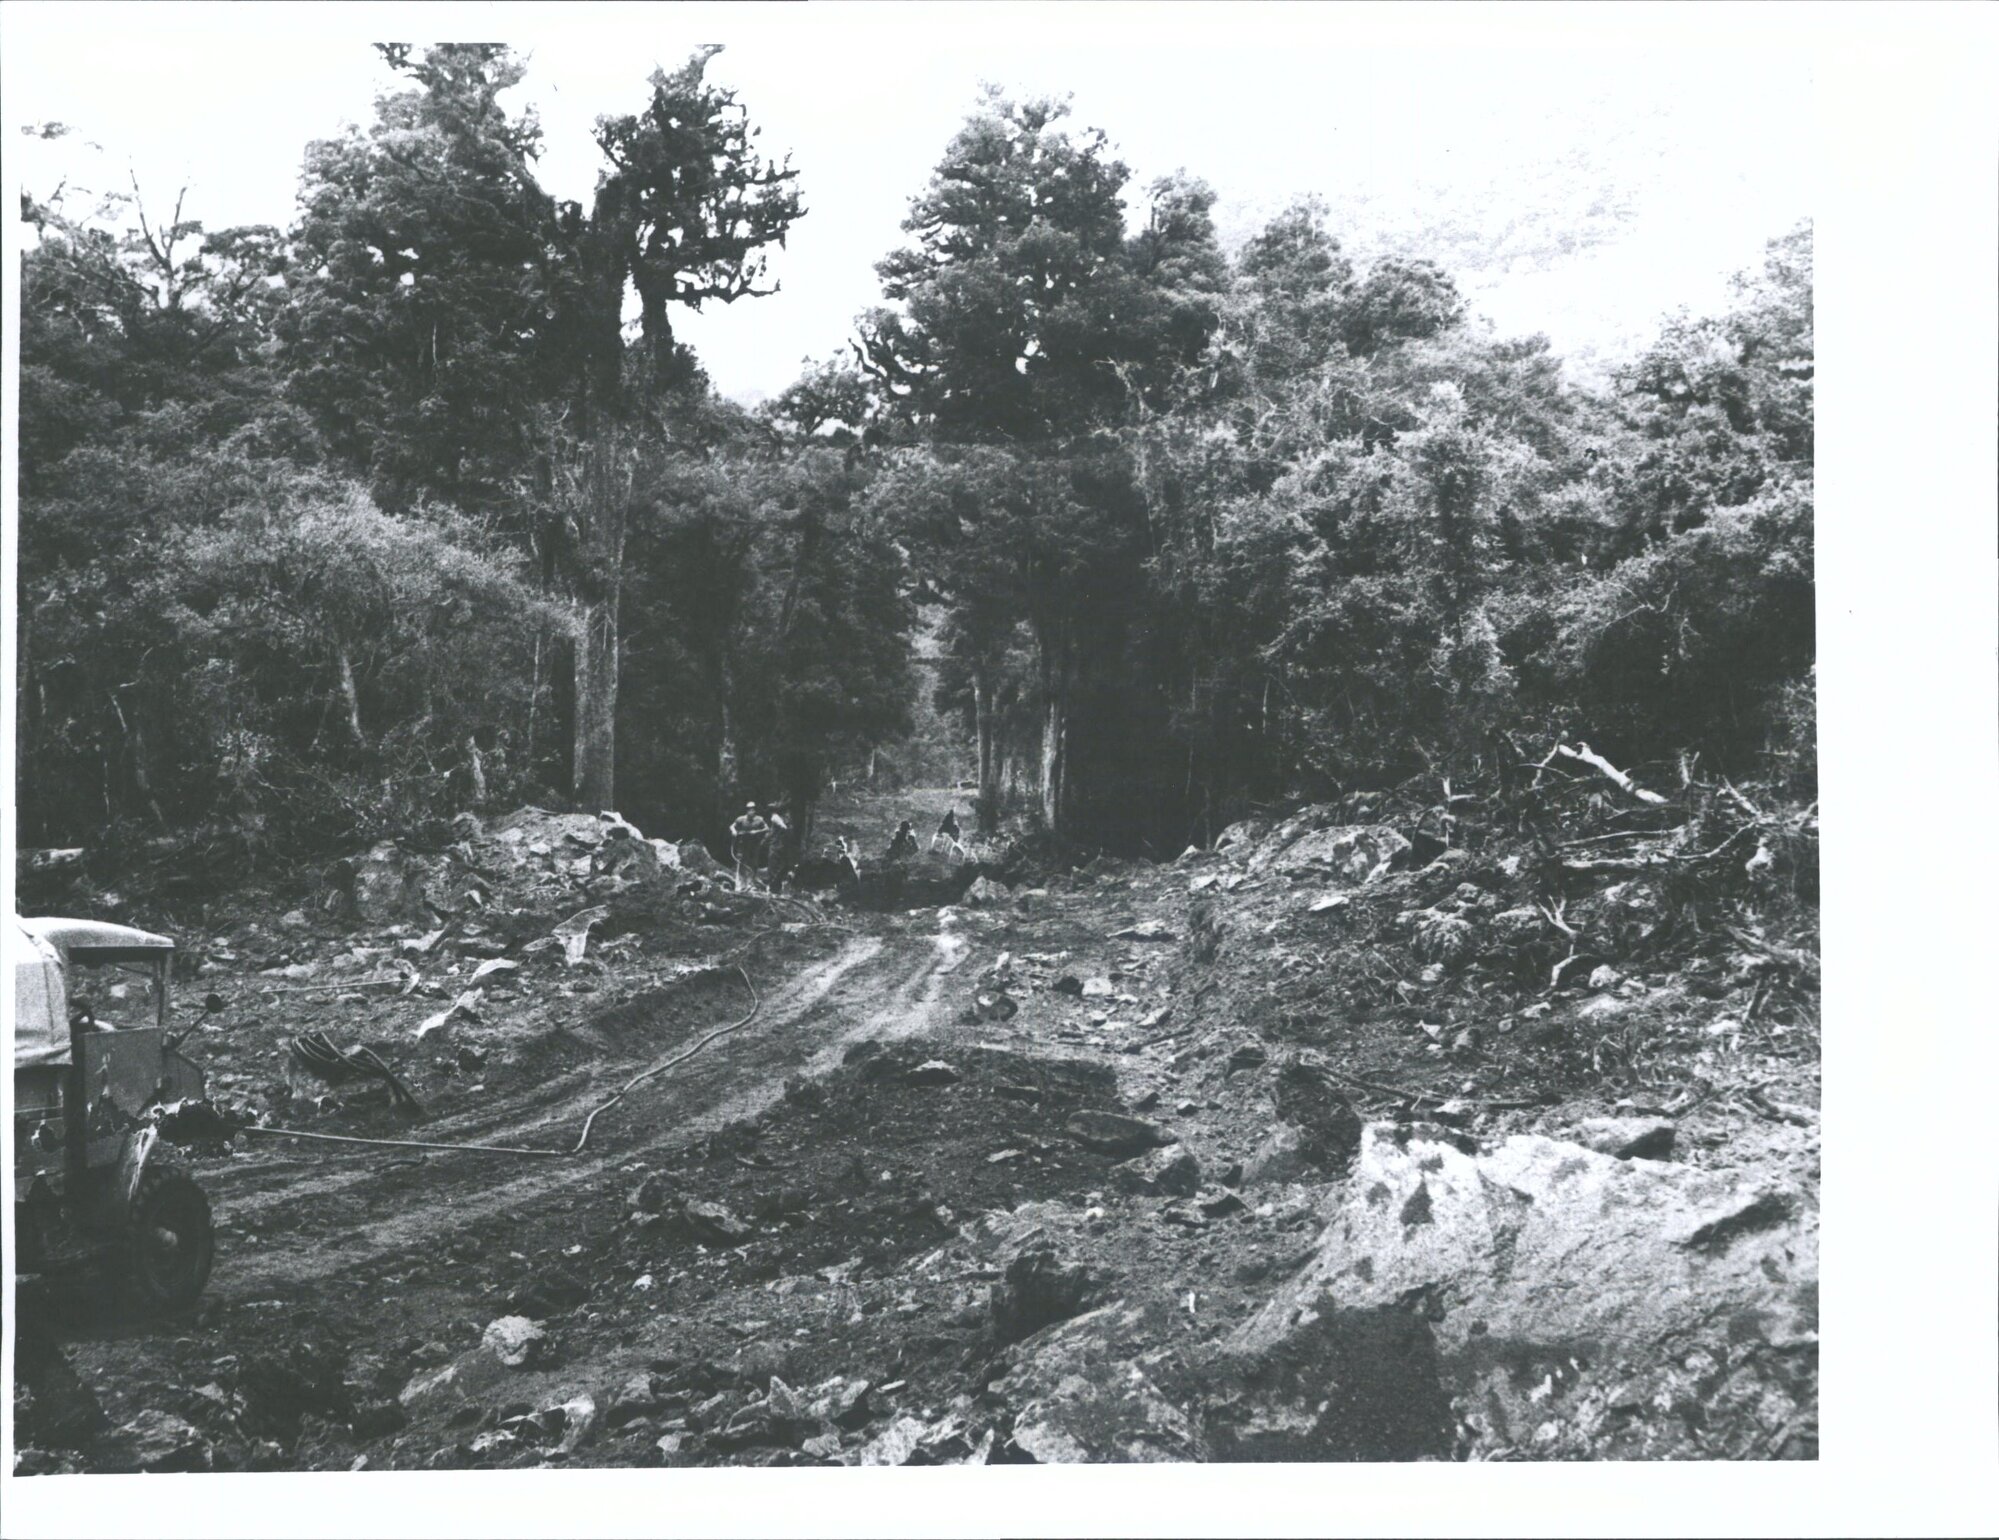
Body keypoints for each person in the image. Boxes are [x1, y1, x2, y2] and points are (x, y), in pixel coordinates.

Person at [729, 801, 771, 883]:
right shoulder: (741, 819)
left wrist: (757, 831)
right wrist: (733, 831)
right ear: (746, 810)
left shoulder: (759, 819)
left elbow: (767, 828)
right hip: (743, 844)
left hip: (755, 844)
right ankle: (740, 881)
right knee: (741, 862)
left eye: (752, 810)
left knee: (754, 863)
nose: (751, 811)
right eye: (749, 810)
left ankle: (751, 882)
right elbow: (732, 826)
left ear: (755, 811)